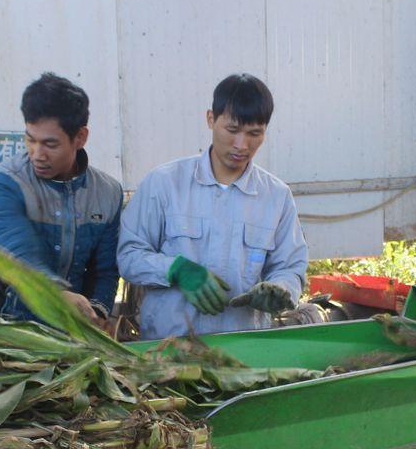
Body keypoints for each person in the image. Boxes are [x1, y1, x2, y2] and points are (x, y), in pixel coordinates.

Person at [117, 73, 307, 340]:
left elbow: (291, 266)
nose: (242, 145)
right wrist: (176, 269)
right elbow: (128, 256)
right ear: (210, 119)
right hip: (168, 350)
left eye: (254, 133)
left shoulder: (276, 196)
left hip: (244, 352)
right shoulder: (164, 184)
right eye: (232, 130)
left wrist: (280, 289)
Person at [0, 73, 122, 328]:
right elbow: (17, 251)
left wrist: (97, 311)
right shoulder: (4, 183)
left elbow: (105, 268)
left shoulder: (107, 193)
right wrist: (56, 294)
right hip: (5, 331)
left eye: (50, 144)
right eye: (30, 140)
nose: (37, 154)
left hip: (72, 330)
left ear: (80, 137)